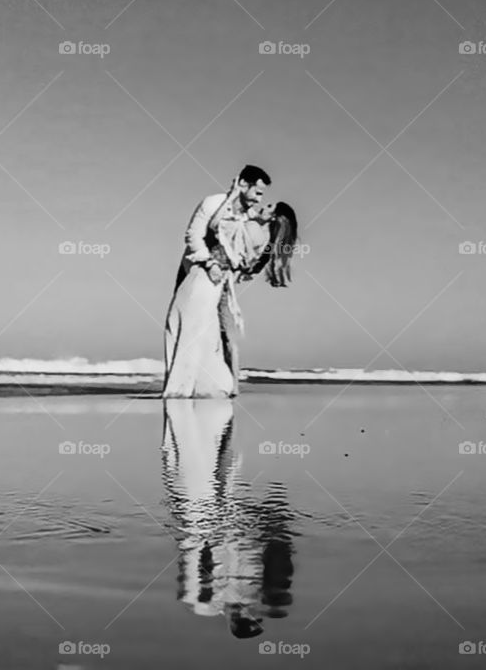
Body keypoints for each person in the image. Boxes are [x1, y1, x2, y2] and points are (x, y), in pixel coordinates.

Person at [161, 399, 296, 638]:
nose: (248, 611)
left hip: (214, 524)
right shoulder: (229, 598)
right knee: (221, 461)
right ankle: (212, 413)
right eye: (251, 615)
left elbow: (192, 562)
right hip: (228, 525)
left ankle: (205, 413)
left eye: (245, 617)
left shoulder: (206, 603)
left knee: (212, 461)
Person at [162, 165, 298, 398]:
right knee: (202, 330)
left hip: (209, 278)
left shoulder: (251, 224)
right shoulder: (220, 206)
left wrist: (233, 196)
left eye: (264, 200)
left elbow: (219, 228)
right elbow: (195, 236)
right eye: (258, 193)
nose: (260, 201)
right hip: (201, 270)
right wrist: (220, 266)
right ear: (244, 184)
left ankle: (193, 387)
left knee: (193, 328)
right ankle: (207, 385)